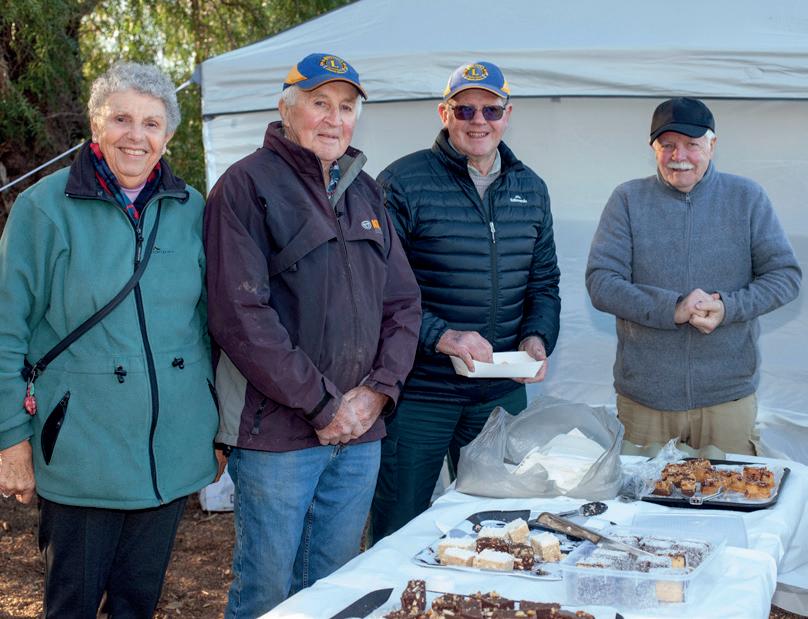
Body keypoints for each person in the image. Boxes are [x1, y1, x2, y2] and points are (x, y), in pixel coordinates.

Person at [203, 52, 421, 617]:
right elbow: (240, 315)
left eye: (346, 107)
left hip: (360, 434)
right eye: (319, 103)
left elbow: (403, 303)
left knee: (335, 587)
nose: (333, 119)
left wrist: (378, 393)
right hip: (277, 434)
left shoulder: (366, 190)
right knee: (266, 592)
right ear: (286, 109)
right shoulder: (245, 186)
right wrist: (324, 405)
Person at [0, 62, 220, 617]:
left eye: (151, 123)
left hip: (170, 448)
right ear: (96, 125)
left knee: (138, 603)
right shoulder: (42, 208)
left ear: (168, 136)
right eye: (121, 118)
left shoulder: (192, 208)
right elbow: (5, 329)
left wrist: (214, 426)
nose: (135, 136)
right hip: (82, 451)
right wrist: (10, 439)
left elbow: (208, 326)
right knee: (71, 605)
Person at [370, 61, 561, 542]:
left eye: (491, 109)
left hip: (498, 393)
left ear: (507, 115)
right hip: (419, 392)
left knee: (501, 526)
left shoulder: (531, 188)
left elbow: (544, 282)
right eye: (465, 109)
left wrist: (537, 338)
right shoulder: (402, 182)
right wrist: (442, 336)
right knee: (399, 524)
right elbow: (380, 289)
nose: (479, 120)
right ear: (444, 113)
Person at [586, 96, 801, 455]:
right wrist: (672, 308)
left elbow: (785, 276)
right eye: (667, 144)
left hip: (727, 399)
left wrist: (728, 307)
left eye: (691, 144)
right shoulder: (627, 199)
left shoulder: (747, 197)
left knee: (733, 489)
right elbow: (602, 282)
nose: (679, 155)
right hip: (646, 402)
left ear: (712, 146)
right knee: (642, 492)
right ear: (653, 148)